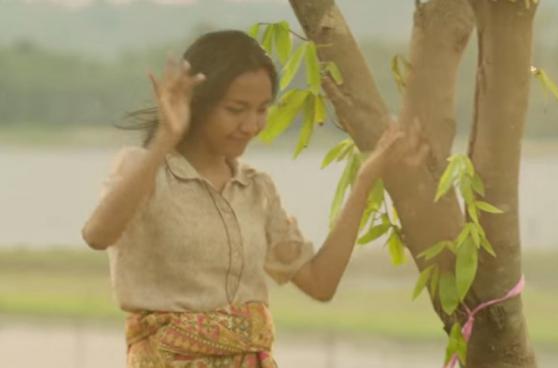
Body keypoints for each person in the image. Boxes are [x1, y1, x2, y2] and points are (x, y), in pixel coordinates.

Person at [81, 29, 428, 367]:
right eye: (236, 109)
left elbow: (320, 283)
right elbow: (97, 234)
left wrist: (365, 180)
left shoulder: (257, 190)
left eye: (261, 109)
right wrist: (166, 139)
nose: (251, 124)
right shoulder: (145, 169)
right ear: (198, 104)